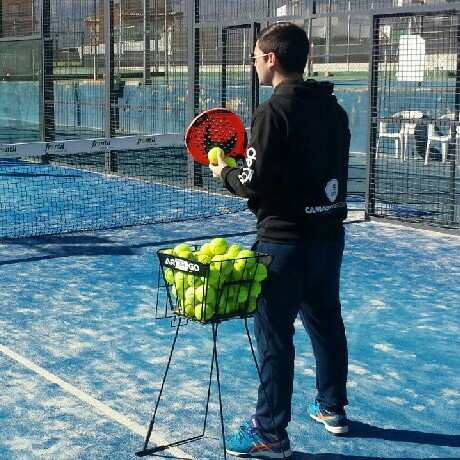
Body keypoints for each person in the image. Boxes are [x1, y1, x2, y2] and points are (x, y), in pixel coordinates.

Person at [209, 22, 350, 458]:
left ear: (271, 58)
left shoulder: (272, 112)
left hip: (284, 246)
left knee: (274, 336)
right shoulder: (334, 109)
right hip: (328, 238)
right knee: (326, 322)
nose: (253, 64)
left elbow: (253, 182)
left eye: (254, 56)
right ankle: (332, 407)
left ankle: (269, 431)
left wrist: (225, 172)